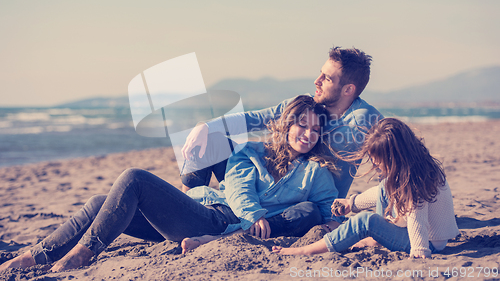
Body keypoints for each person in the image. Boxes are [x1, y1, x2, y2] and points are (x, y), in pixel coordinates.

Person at [0, 96, 341, 273]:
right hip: (203, 212)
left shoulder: (316, 172)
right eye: (301, 126)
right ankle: (36, 256)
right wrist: (255, 216)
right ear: (286, 124)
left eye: (314, 130)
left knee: (134, 178)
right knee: (97, 203)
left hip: (218, 222)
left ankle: (83, 254)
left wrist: (329, 222)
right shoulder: (251, 151)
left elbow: (326, 209)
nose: (307, 135)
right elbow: (237, 187)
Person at [181, 45, 383, 198]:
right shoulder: (305, 105)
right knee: (211, 140)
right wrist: (207, 126)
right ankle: (185, 208)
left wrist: (389, 216)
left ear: (348, 90)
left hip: (305, 204)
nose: (317, 80)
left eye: (327, 78)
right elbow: (256, 119)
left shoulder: (365, 119)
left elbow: (393, 166)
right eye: (320, 73)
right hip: (266, 184)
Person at [272, 118, 460, 258]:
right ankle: (376, 239)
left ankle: (305, 251)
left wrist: (419, 251)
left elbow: (416, 218)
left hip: (427, 242)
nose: (375, 163)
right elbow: (381, 192)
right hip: (426, 235)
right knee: (385, 186)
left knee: (365, 221)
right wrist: (351, 203)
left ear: (395, 155)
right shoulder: (416, 166)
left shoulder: (413, 181)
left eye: (378, 159)